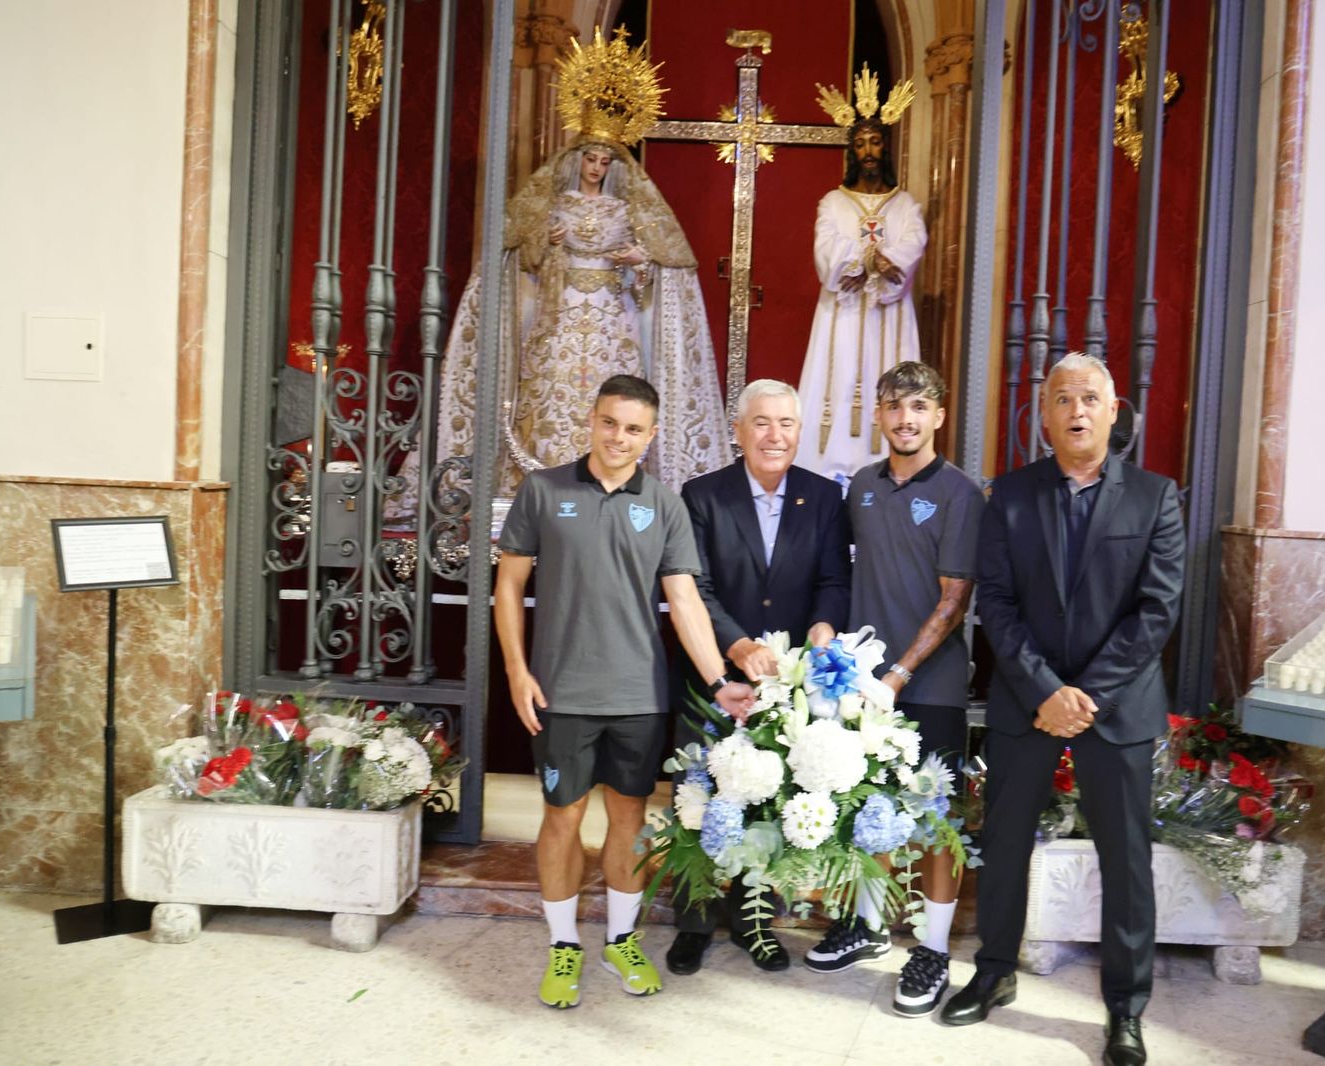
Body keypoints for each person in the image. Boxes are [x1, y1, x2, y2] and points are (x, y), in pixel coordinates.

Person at [941, 352, 1185, 1066]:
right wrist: (1046, 689)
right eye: (1061, 398)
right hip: (1028, 701)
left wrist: (1088, 695)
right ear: (1043, 416)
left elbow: (1157, 609)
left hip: (1119, 707)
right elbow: (998, 603)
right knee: (1006, 842)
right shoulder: (1008, 497)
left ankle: (1124, 1007)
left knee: (1127, 859)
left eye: (1089, 398)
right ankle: (993, 974)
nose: (1076, 410)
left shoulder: (1155, 496)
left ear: (1114, 412)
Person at [494, 374, 755, 1010]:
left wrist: (720, 680)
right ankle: (563, 945)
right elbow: (508, 587)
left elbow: (685, 599)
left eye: (634, 428)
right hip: (561, 692)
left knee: (631, 821)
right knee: (562, 818)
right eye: (609, 423)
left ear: (652, 435)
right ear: (592, 420)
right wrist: (516, 671)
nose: (619, 437)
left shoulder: (664, 505)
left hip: (639, 693)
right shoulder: (543, 489)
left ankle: (620, 937)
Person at [390, 31, 727, 523]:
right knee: (548, 394)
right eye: (590, 158)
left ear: (615, 165)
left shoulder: (631, 208)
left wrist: (640, 261)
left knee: (618, 398)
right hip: (561, 314)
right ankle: (536, 489)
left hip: (614, 318)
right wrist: (540, 247)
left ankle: (615, 490)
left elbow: (660, 264)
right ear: (576, 160)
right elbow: (516, 257)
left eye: (605, 161)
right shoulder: (551, 202)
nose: (596, 167)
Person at [803, 362, 982, 1021]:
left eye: (918, 406)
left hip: (927, 686)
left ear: (938, 416)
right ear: (878, 414)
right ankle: (869, 921)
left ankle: (933, 949)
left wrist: (899, 674)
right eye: (893, 406)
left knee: (933, 822)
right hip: (865, 683)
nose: (905, 418)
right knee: (870, 808)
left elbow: (954, 600)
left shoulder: (962, 493)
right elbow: (839, 576)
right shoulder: (862, 490)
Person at [664, 379, 852, 977]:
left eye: (787, 424)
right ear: (739, 430)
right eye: (762, 423)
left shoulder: (824, 498)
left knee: (768, 797)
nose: (775, 435)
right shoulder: (702, 496)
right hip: (714, 672)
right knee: (698, 797)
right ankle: (692, 921)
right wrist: (736, 645)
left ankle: (754, 921)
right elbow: (695, 587)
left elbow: (833, 581)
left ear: (800, 431)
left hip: (787, 679)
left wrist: (822, 629)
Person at [795, 64, 928, 486]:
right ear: (852, 151)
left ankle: (892, 469)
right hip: (843, 312)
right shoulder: (832, 202)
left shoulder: (904, 203)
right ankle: (825, 475)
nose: (869, 150)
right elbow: (825, 250)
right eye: (861, 143)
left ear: (885, 148)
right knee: (835, 384)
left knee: (892, 377)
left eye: (875, 142)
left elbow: (913, 243)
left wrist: (874, 262)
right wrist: (870, 260)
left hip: (889, 312)